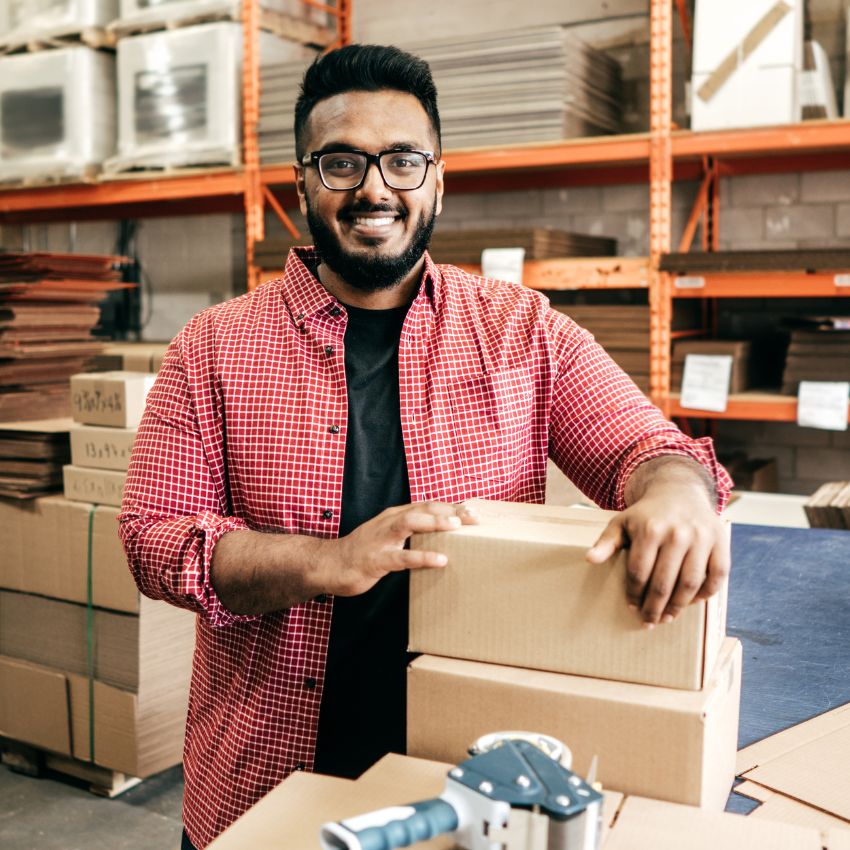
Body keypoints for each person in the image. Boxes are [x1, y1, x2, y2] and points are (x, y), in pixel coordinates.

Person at [119, 44, 732, 850]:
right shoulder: (212, 348)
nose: (374, 187)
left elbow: (643, 448)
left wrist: (678, 492)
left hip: (468, 785)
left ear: (438, 178)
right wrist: (324, 562)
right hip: (260, 783)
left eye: (402, 160)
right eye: (341, 162)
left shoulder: (522, 332)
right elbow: (152, 540)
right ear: (302, 182)